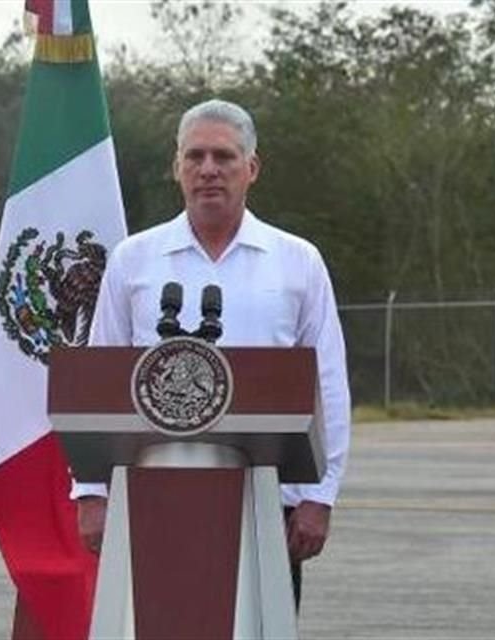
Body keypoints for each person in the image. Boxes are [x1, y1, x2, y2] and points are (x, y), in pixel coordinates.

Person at [71, 98, 351, 608]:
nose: (208, 171)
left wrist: (320, 495)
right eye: (195, 156)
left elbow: (327, 383)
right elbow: (100, 380)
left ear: (252, 168)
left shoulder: (297, 261)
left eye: (223, 157)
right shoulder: (133, 260)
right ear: (176, 167)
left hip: (269, 501)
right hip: (152, 498)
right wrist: (91, 493)